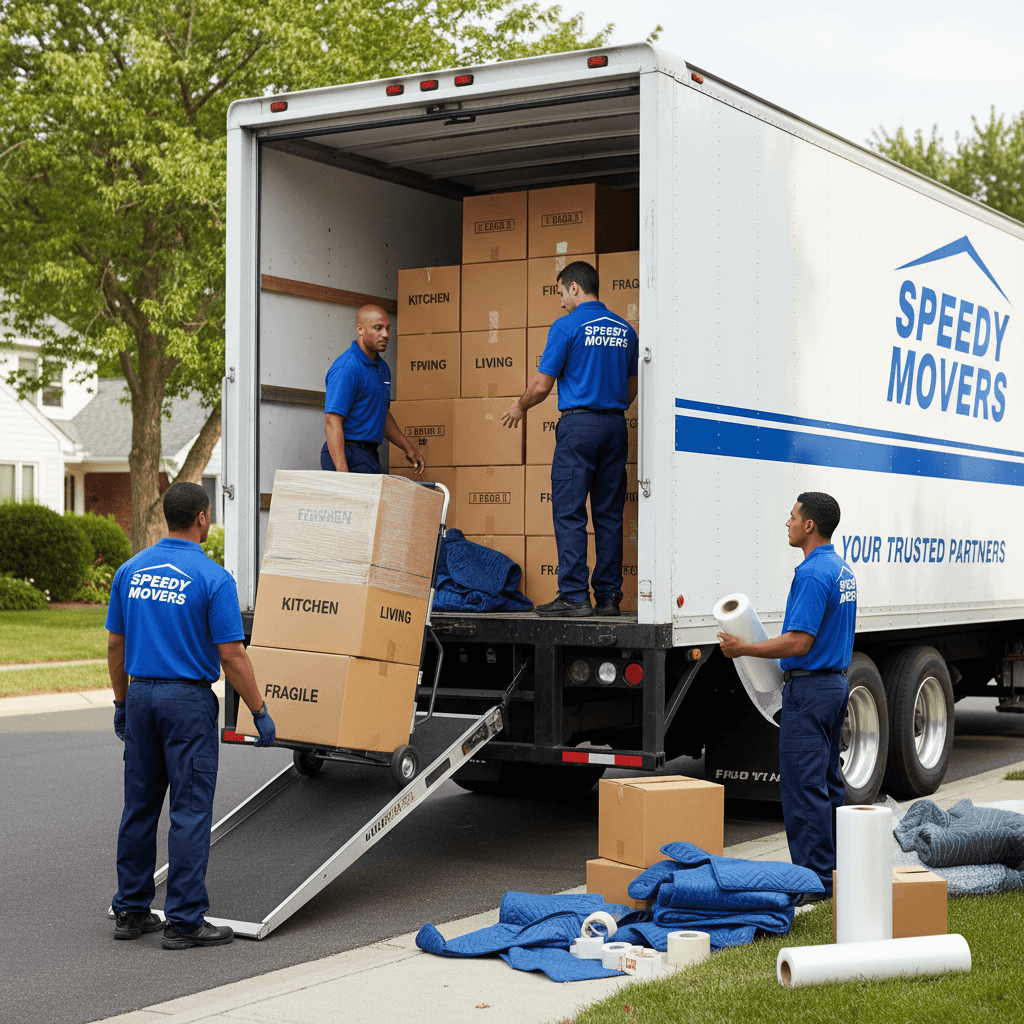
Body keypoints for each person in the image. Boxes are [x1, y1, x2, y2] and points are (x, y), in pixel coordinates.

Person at [106, 482, 277, 948]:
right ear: (203, 517)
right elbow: (232, 655)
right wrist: (259, 710)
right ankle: (183, 921)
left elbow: (116, 645)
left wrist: (121, 702)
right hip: (187, 703)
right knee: (189, 810)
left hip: (141, 696)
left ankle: (131, 911)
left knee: (140, 806)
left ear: (167, 516)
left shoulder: (130, 571)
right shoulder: (213, 578)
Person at [717, 492, 857, 900]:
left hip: (810, 691)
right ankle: (833, 872)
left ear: (809, 524)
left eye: (793, 516)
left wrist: (744, 648)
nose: (787, 522)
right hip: (833, 686)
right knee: (827, 783)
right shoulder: (841, 568)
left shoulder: (812, 574)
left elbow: (799, 642)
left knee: (803, 788)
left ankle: (814, 883)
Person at [501, 261, 638, 617]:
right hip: (615, 427)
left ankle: (575, 596)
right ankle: (609, 597)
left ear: (574, 288)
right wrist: (610, 404)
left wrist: (520, 406)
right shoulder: (626, 329)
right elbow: (631, 387)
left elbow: (541, 385)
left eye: (561, 292)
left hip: (579, 428)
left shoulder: (566, 326)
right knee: (609, 515)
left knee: (570, 512)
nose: (560, 300)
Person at [321, 303, 425, 475]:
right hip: (348, 454)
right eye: (378, 328)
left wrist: (408, 448)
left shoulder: (382, 368)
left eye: (388, 328)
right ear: (360, 329)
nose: (385, 334)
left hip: (369, 456)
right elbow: (332, 420)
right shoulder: (347, 368)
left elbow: (381, 412)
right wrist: (343, 474)